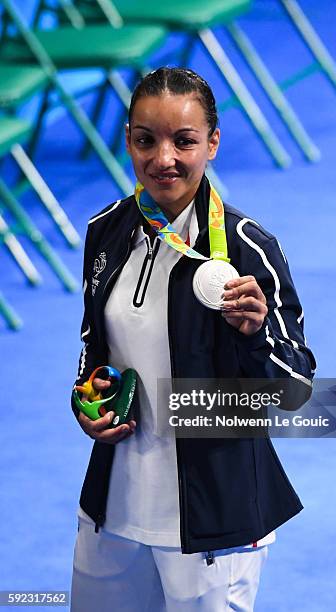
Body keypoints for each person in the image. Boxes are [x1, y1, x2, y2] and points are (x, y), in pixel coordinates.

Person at [70, 67, 316, 612]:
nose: (163, 159)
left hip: (214, 519)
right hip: (113, 508)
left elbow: (295, 389)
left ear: (213, 143)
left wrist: (254, 336)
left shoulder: (249, 249)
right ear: (128, 139)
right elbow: (94, 349)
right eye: (145, 140)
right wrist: (87, 402)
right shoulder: (106, 230)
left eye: (184, 141)